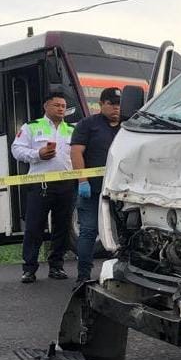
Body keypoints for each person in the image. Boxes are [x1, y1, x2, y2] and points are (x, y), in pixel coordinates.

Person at [11, 90, 76, 284]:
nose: (61, 109)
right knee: (34, 227)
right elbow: (16, 149)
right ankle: (29, 269)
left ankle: (56, 266)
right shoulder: (32, 127)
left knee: (62, 227)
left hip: (66, 184)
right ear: (46, 106)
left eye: (64, 106)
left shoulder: (72, 130)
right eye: (57, 105)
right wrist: (38, 154)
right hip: (40, 184)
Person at [70, 87, 121, 284]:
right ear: (101, 104)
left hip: (120, 191)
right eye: (111, 103)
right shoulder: (88, 125)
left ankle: (119, 274)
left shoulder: (128, 125)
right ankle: (83, 275)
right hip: (92, 189)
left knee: (122, 234)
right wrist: (82, 180)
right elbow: (76, 152)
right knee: (89, 231)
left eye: (118, 104)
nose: (116, 107)